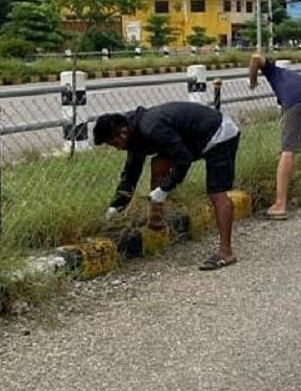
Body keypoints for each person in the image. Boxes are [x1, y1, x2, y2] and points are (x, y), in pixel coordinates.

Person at [94, 102, 241, 270]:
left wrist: (164, 189)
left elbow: (183, 159)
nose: (116, 149)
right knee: (159, 164)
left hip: (219, 134)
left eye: (113, 144)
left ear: (122, 134)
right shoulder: (134, 133)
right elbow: (131, 174)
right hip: (195, 138)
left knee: (217, 194)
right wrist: (114, 208)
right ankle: (156, 223)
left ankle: (226, 253)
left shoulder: (152, 127)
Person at [247, 54, 301, 219]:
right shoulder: (293, 76)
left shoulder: (272, 70)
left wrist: (253, 80)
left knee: (288, 150)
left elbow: (255, 57)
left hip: (296, 101)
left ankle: (280, 204)